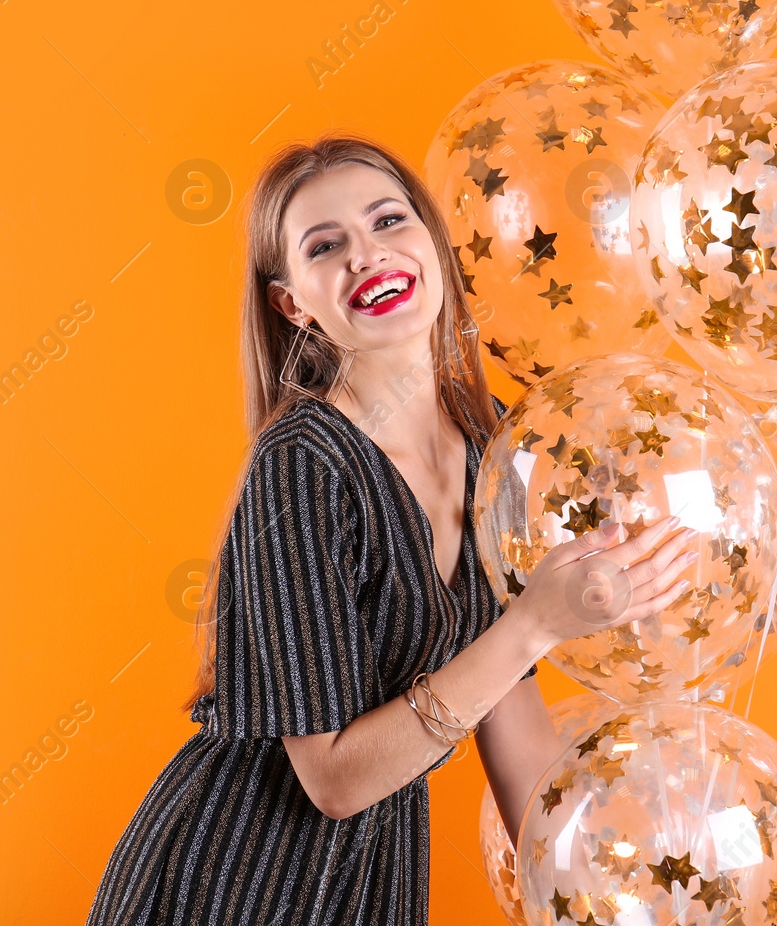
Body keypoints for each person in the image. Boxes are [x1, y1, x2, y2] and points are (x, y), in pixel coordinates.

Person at [85, 134, 698, 925]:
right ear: (294, 303)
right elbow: (335, 779)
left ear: (433, 246)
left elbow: (523, 757)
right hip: (231, 883)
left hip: (367, 890)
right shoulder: (304, 464)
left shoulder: (492, 457)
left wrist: (616, 905)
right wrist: (538, 622)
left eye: (388, 220)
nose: (367, 255)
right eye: (326, 245)